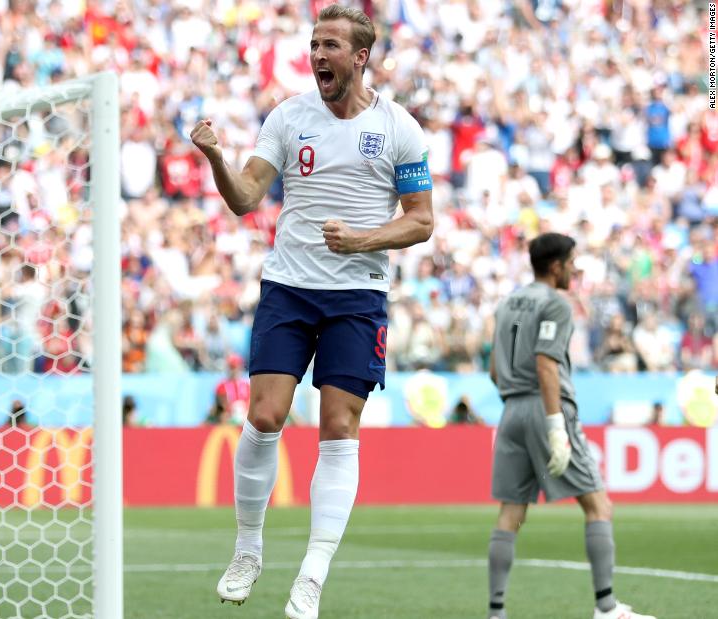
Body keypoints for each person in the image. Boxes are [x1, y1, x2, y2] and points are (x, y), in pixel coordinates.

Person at [191, 7, 434, 618]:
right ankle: (248, 549)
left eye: (330, 44)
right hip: (290, 287)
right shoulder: (288, 116)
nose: (318, 54)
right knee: (266, 413)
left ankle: (313, 574)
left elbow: (421, 220)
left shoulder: (400, 128)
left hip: (358, 296)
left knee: (339, 427)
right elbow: (246, 198)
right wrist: (218, 158)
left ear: (360, 57)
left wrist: (361, 240)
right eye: (313, 43)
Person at [485, 233, 654, 619]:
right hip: (546, 408)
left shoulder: (507, 302)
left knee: (511, 512)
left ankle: (496, 612)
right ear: (557, 265)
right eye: (573, 261)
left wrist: (517, 404)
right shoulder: (556, 306)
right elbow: (546, 364)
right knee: (598, 504)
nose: (576, 269)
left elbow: (495, 369)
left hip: (510, 411)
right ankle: (607, 607)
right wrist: (554, 424)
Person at [209, 353, 250, 425]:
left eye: (236, 367)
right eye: (232, 367)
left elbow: (250, 403)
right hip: (229, 417)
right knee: (223, 417)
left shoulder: (247, 385)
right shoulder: (221, 386)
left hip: (245, 416)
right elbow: (219, 407)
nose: (234, 370)